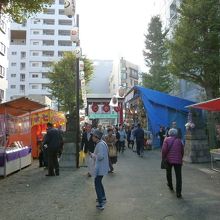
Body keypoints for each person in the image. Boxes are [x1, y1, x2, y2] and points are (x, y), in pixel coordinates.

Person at [162, 128, 184, 198]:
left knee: (168, 173)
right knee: (178, 176)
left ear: (169, 133)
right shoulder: (179, 140)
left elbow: (164, 150)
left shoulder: (166, 140)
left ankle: (170, 185)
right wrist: (181, 157)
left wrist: (163, 158)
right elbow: (182, 150)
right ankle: (178, 193)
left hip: (168, 160)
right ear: (176, 133)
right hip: (178, 160)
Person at [90, 129, 109, 210]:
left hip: (100, 168)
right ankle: (103, 197)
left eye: (93, 136)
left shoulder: (100, 144)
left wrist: (93, 155)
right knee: (99, 182)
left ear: (96, 137)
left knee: (97, 183)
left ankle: (101, 203)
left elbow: (100, 156)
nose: (92, 138)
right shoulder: (101, 143)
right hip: (101, 167)